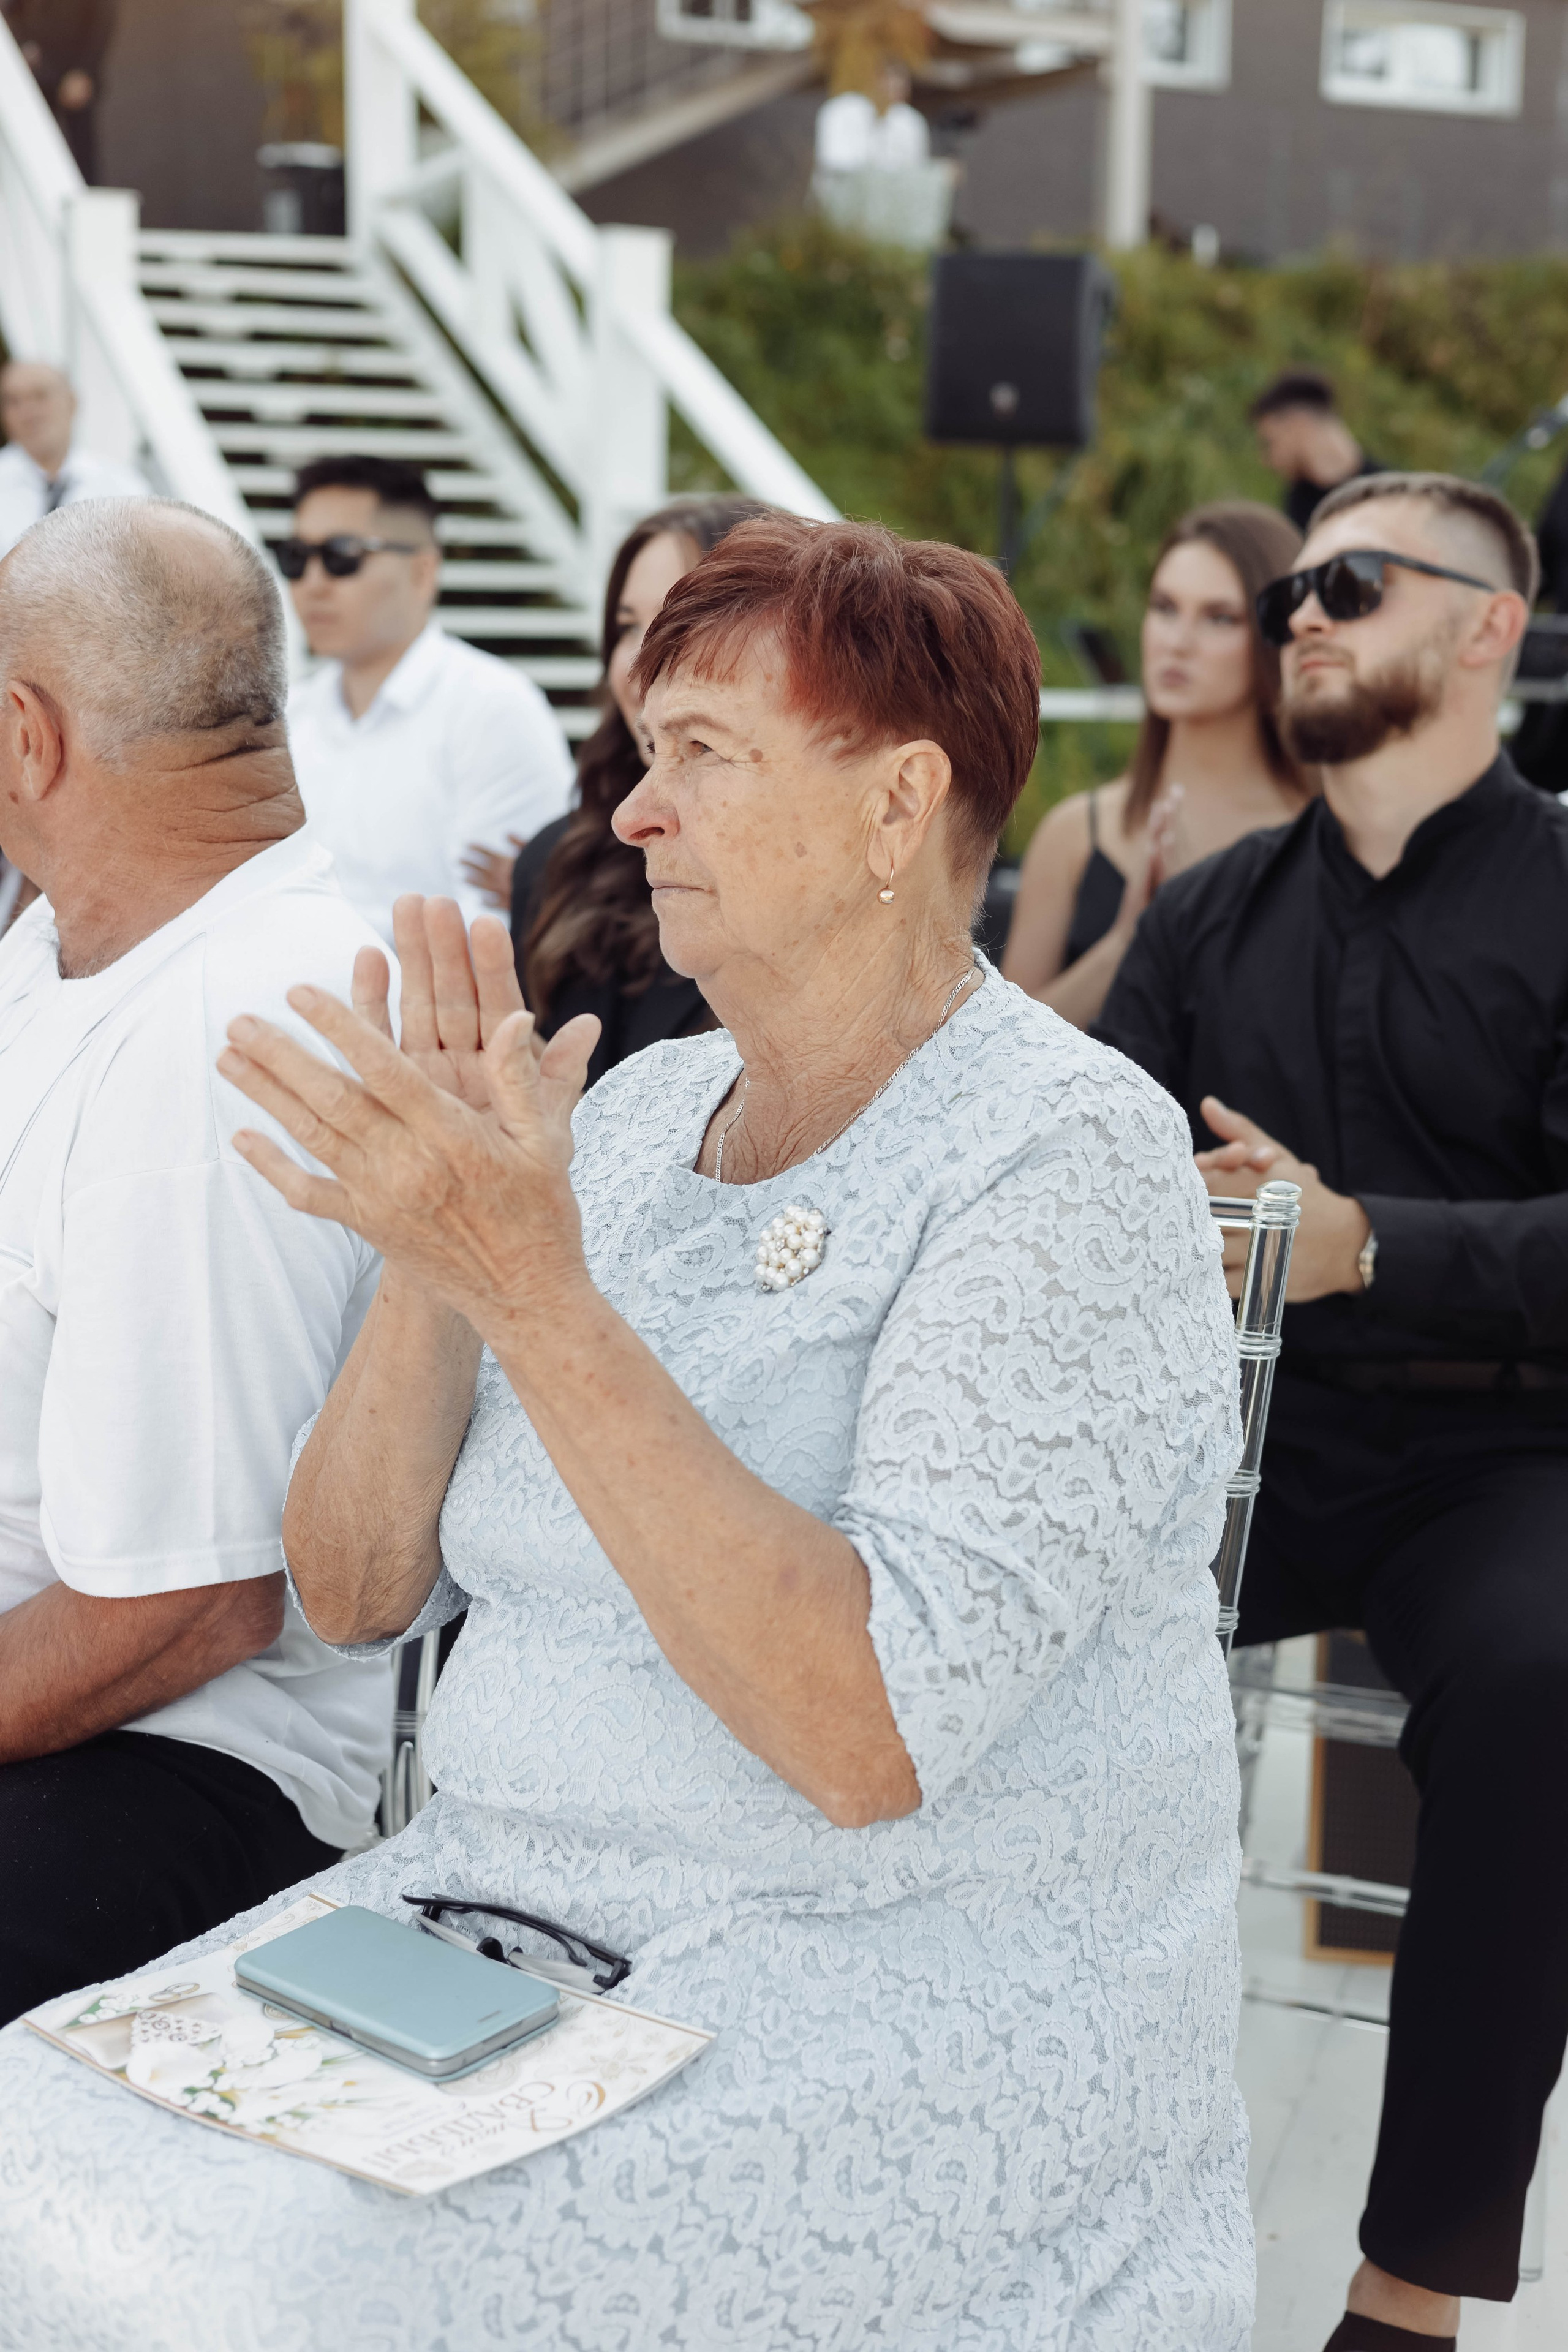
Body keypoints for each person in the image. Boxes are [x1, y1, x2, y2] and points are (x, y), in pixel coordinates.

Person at [0, 517, 1254, 2346]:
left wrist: (530, 1284)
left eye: (705, 757)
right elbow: (349, 1592)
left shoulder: (1062, 1152)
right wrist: (434, 1255)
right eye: (647, 749)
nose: (640, 812)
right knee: (34, 2123)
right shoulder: (638, 1107)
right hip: (491, 1929)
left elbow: (862, 1731)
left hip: (880, 1977)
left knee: (282, 2269)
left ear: (899, 807)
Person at [1096, 472, 1563, 2346]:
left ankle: (1407, 2290)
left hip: (1506, 1449)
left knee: (1547, 1669)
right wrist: (1169, 1215)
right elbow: (1080, 1166)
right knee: (1004, 1616)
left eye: (1347, 583)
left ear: (1485, 629)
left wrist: (1362, 1244)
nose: (1296, 612)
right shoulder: (1206, 916)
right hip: (1235, 1447)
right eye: (1292, 583)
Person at [0, 497, 397, 2024]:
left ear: (29, 738)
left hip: (180, 1768)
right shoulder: (76, 945)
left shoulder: (224, 1026)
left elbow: (189, 1604)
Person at [1002, 500, 1311, 1028]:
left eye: (1220, 617)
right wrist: (1127, 943)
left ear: (1276, 634)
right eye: (1165, 608)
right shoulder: (1076, 834)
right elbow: (1000, 1059)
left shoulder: (1322, 834)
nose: (1178, 642)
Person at [506, 494, 769, 1088]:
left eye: (678, 622)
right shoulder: (556, 862)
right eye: (627, 627)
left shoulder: (801, 867)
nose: (639, 664)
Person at [283, 454, 574, 946]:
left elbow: (498, 930)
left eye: (342, 555)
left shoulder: (493, 709)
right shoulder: (291, 715)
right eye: (295, 557)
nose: (313, 583)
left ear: (421, 572)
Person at [0, 360, 149, 556]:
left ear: (71, 402)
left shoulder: (123, 488)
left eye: (41, 396)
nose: (28, 412)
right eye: (13, 402)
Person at [1251, 369, 1386, 533]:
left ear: (1298, 424)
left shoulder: (1390, 494)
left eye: (1271, 443)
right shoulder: (1298, 507)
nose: (1267, 460)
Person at [2, 0, 115, 180]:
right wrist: (25, 46)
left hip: (75, 73)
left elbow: (103, 19)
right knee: (36, 150)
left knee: (82, 153)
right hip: (38, 77)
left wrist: (84, 70)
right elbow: (11, 12)